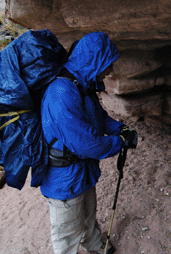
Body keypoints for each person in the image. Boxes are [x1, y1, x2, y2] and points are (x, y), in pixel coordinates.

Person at [40, 32, 137, 254]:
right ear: (94, 61)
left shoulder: (82, 85)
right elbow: (88, 144)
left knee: (87, 215)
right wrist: (119, 142)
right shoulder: (62, 92)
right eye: (108, 64)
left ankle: (95, 246)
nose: (110, 70)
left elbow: (99, 118)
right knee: (66, 233)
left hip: (82, 171)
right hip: (63, 178)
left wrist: (120, 129)